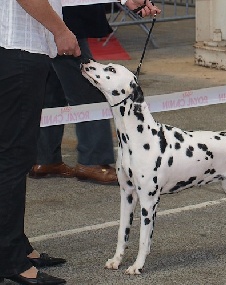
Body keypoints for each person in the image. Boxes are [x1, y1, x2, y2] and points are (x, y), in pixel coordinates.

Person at [29, 0, 161, 184]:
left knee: (52, 90)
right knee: (89, 90)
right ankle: (94, 161)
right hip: (65, 20)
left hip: (46, 17)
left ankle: (45, 159)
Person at [0, 1, 80, 284]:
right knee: (12, 159)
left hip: (19, 51)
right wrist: (60, 30)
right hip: (17, 50)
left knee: (15, 158)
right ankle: (10, 260)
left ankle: (17, 247)